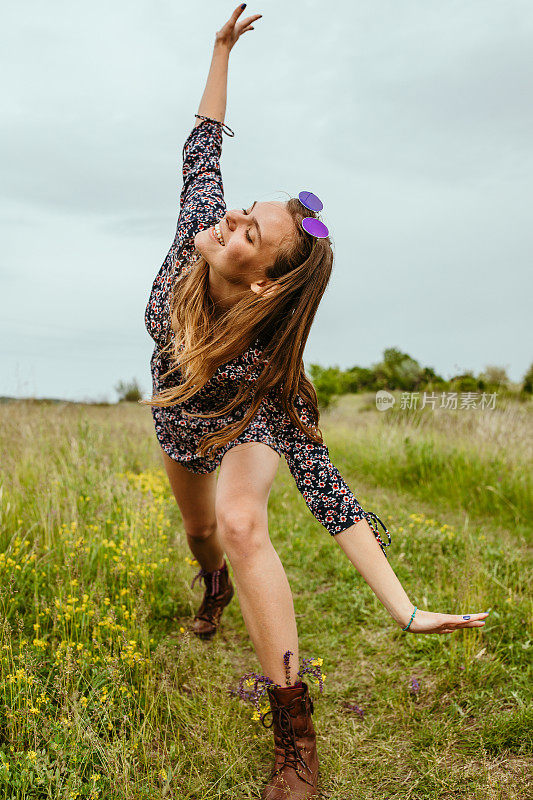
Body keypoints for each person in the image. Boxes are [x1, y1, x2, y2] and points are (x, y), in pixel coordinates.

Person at [143, 6, 490, 798]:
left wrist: (401, 610)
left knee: (239, 523)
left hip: (241, 421)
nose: (227, 217)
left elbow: (328, 494)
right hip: (175, 414)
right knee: (201, 534)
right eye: (242, 210)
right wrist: (220, 50)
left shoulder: (269, 369)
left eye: (247, 230)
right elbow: (202, 145)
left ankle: (293, 737)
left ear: (261, 278)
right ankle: (213, 586)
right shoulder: (195, 228)